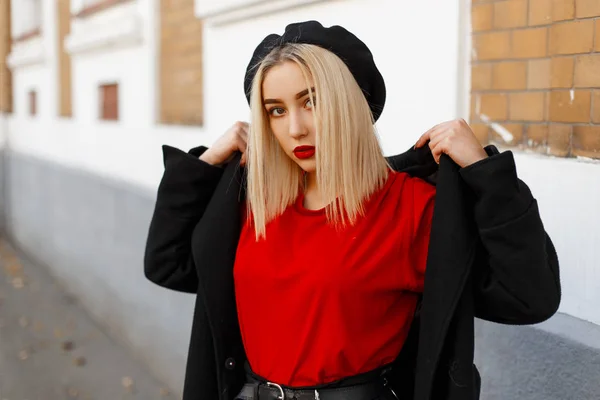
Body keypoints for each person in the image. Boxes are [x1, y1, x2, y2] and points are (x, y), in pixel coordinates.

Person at [144, 21, 561, 400]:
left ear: (352, 104)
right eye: (276, 110)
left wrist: (485, 174)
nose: (294, 128)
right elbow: (167, 264)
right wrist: (207, 163)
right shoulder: (252, 201)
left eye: (312, 101)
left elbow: (529, 297)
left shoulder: (410, 207)